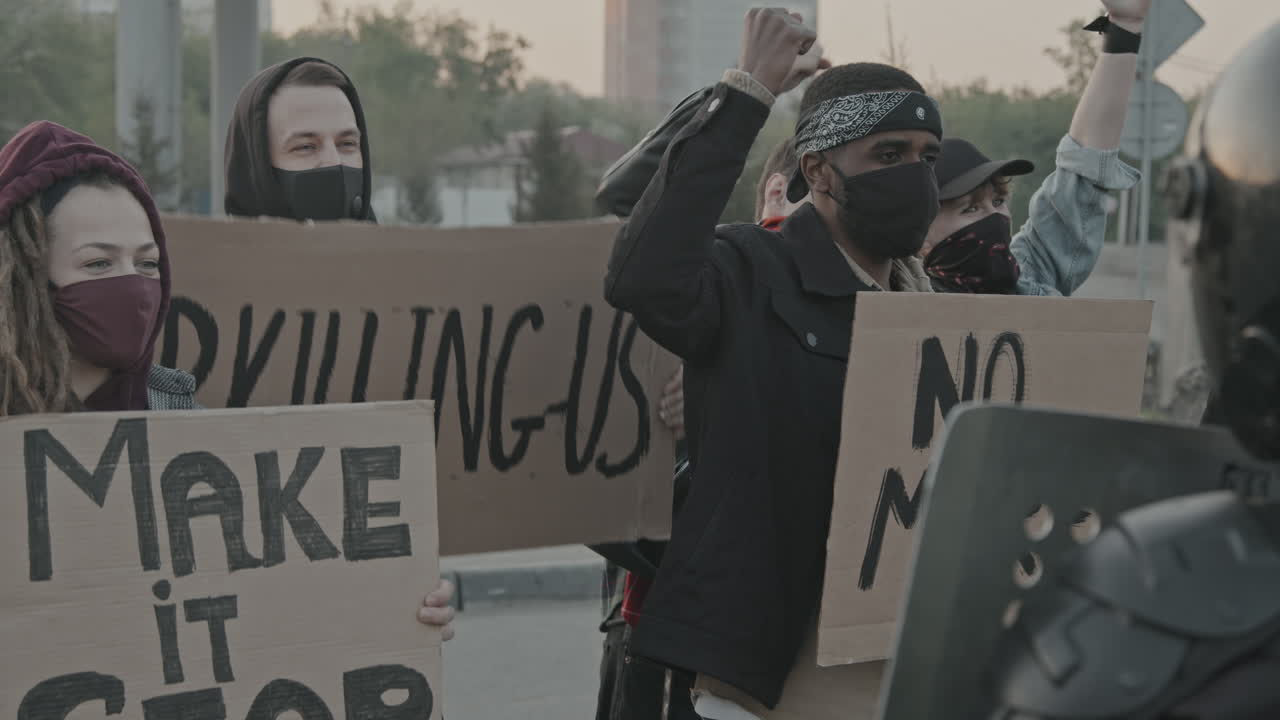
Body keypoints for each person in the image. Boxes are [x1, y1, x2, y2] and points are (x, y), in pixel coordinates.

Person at [605, 3, 948, 715]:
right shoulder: (748, 272)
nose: (915, 176)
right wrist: (746, 94)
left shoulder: (936, 315)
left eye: (926, 156)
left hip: (892, 656)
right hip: (761, 667)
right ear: (819, 172)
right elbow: (646, 278)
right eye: (889, 155)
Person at [0, 120, 454, 638]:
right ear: (25, 274)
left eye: (147, 264)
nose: (133, 284)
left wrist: (395, 608)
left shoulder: (196, 437)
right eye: (99, 262)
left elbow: (277, 603)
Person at [986, 18, 1280, 717]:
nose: (986, 220)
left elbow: (1078, 182)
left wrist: (1121, 39)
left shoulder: (1151, 592)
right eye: (963, 205)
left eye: (993, 203)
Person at [225, 57, 375, 222]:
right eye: (305, 147)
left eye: (347, 144)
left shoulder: (395, 247)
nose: (334, 162)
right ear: (255, 166)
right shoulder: (206, 247)